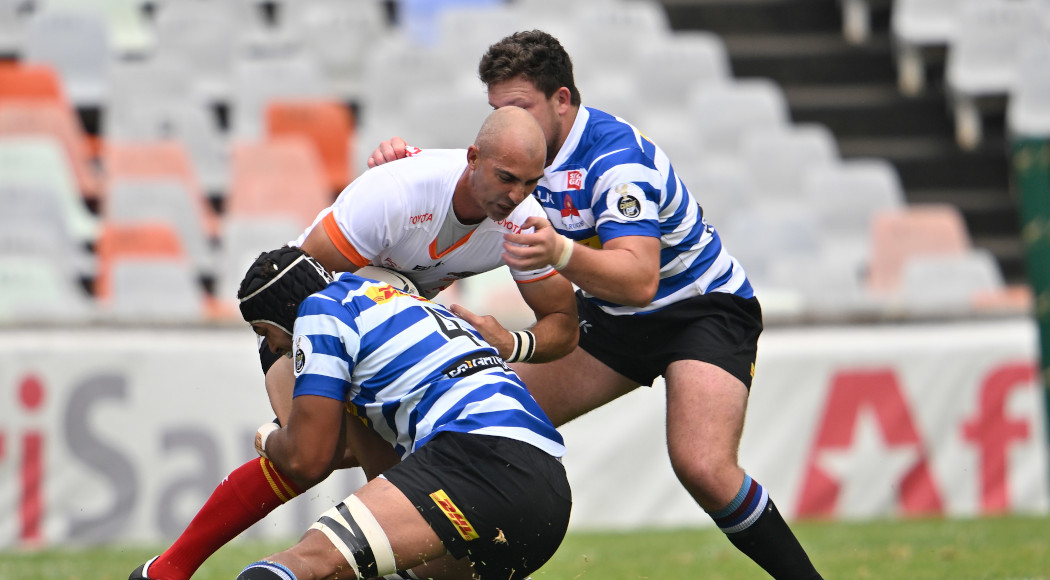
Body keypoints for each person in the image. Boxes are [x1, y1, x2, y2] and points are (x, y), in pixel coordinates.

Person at [368, 30, 823, 579]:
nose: (509, 121)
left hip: (700, 310)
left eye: (520, 107)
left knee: (703, 467)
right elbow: (456, 186)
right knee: (477, 421)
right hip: (609, 317)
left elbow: (639, 281)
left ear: (561, 99)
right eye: (497, 109)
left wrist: (558, 251)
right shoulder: (519, 157)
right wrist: (402, 166)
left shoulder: (616, 159)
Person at [129, 106, 577, 580]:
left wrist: (515, 343)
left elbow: (564, 325)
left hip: (407, 354)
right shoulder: (397, 193)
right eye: (506, 178)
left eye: (530, 183)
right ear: (473, 158)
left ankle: (168, 569)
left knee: (315, 463)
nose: (517, 195)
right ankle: (171, 568)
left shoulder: (523, 222)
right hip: (314, 325)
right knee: (318, 459)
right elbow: (297, 289)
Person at [234, 245, 571, 580]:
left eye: (265, 332)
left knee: (308, 566)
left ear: (283, 312)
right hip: (546, 493)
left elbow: (308, 459)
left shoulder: (319, 309)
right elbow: (383, 470)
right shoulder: (400, 303)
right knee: (366, 570)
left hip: (475, 460)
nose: (273, 347)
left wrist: (268, 438)